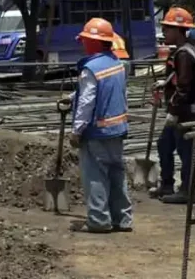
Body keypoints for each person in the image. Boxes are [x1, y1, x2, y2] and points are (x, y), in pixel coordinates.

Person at [69, 17, 132, 233]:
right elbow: (112, 93)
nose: (83, 43)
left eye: (86, 39)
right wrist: (72, 96)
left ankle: (98, 221)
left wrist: (76, 130)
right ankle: (122, 219)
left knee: (95, 175)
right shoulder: (118, 64)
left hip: (96, 132)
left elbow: (88, 101)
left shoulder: (90, 69)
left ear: (94, 42)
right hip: (118, 130)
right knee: (117, 174)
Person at [152, 7, 195, 204]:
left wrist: (173, 111)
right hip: (183, 109)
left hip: (185, 111)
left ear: (178, 30)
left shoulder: (184, 54)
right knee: (164, 144)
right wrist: (165, 83)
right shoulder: (185, 50)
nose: (164, 32)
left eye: (167, 28)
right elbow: (179, 78)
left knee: (186, 151)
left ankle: (186, 191)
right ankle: (167, 184)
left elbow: (184, 87)